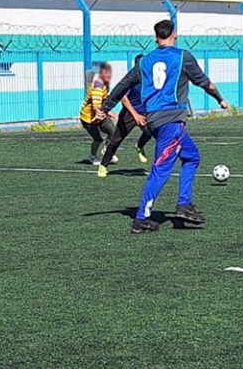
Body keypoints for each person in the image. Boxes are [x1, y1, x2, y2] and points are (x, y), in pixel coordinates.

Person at [97, 20, 229, 233]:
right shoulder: (182, 56)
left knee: (192, 157)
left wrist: (105, 108)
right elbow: (207, 84)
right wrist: (220, 99)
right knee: (160, 169)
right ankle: (141, 218)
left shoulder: (144, 62)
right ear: (174, 35)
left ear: (155, 38)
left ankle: (184, 204)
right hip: (171, 122)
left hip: (154, 121)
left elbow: (122, 85)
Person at [98, 54, 153, 178]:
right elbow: (123, 97)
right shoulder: (132, 78)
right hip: (129, 113)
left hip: (145, 111)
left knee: (150, 130)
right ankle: (103, 165)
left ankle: (140, 146)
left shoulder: (151, 78)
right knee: (116, 139)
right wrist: (135, 115)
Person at [79, 62, 117, 164]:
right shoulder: (98, 86)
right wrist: (110, 114)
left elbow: (104, 102)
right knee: (98, 139)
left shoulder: (105, 85)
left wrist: (108, 112)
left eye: (110, 72)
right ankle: (92, 156)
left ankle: (107, 150)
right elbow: (96, 106)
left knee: (114, 133)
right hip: (88, 118)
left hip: (100, 114)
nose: (109, 75)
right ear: (101, 74)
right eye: (106, 73)